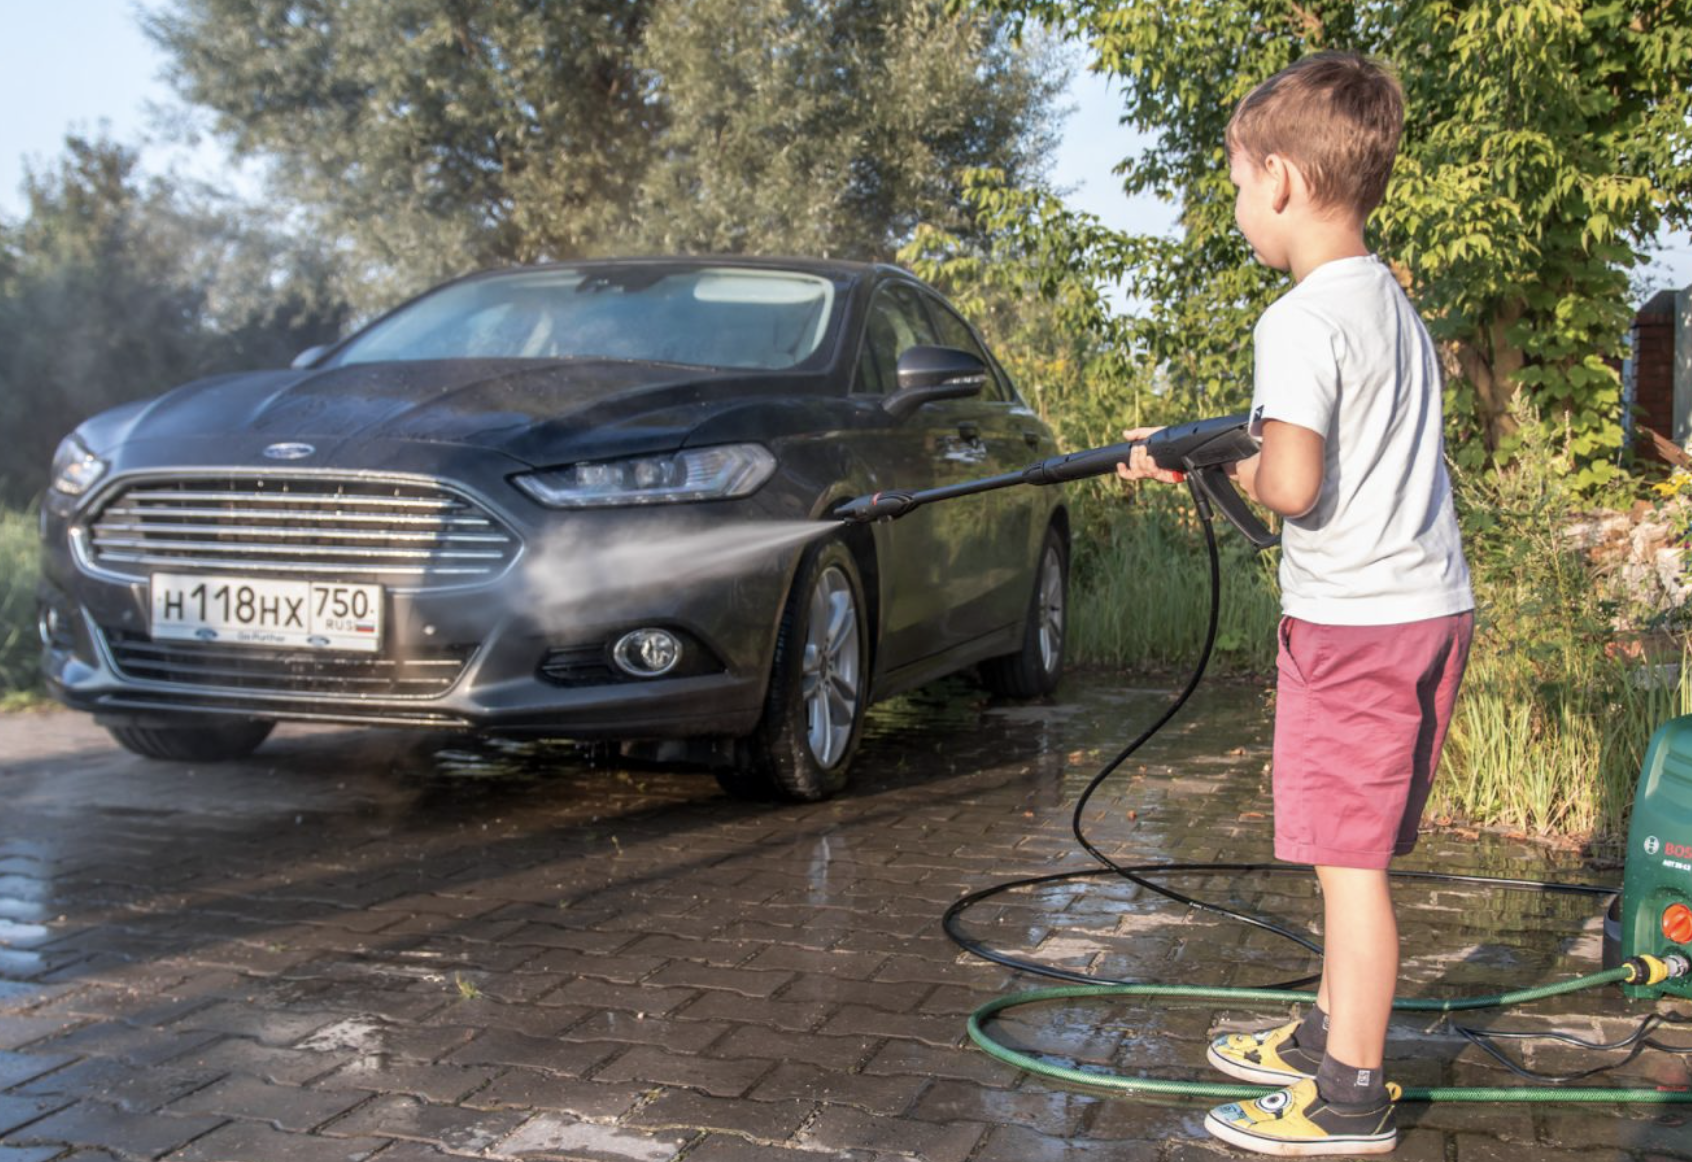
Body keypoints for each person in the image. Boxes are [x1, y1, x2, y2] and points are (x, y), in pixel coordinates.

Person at [1117, 51, 1474, 1157]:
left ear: (1279, 179)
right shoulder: (1390, 305)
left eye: (1233, 182)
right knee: (1349, 852)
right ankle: (1328, 1030)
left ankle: (1350, 1097)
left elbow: (1297, 483)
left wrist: (1213, 469)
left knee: (1347, 867)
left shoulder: (1297, 317)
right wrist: (1225, 448)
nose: (1237, 205)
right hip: (1426, 609)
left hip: (1354, 626)